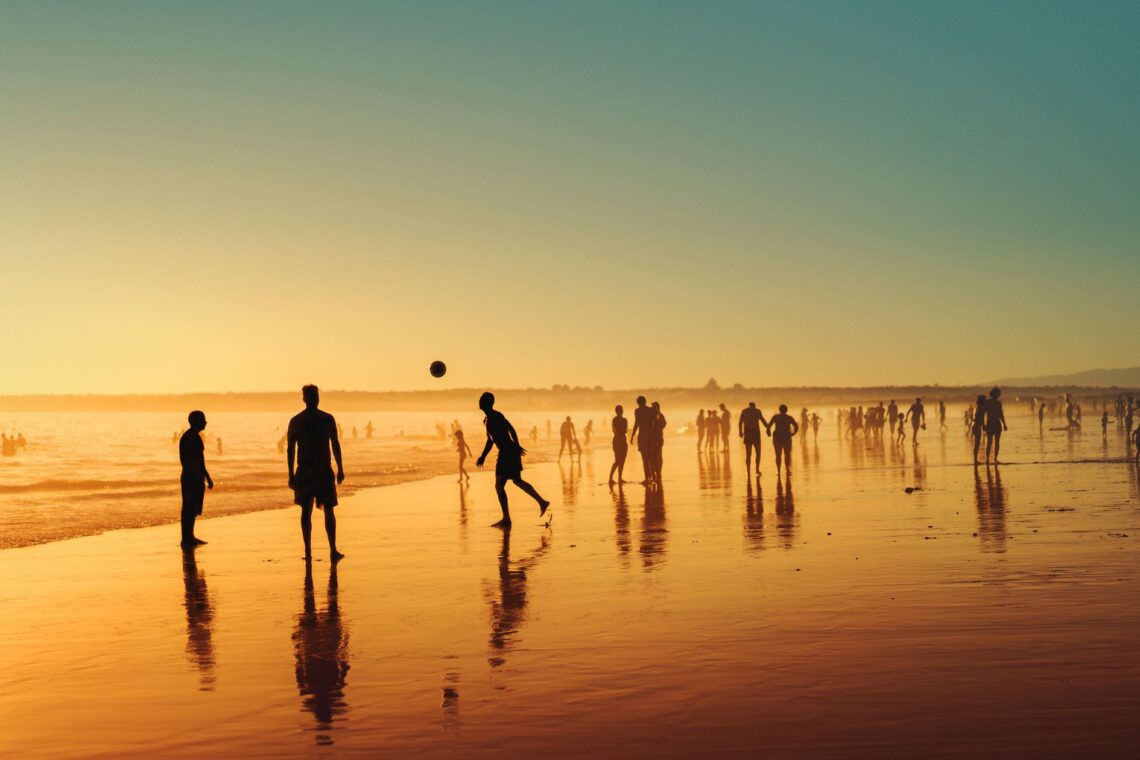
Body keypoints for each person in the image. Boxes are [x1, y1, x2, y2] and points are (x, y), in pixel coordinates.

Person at [288, 385, 346, 561]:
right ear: (305, 399)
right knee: (313, 511)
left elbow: (335, 444)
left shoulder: (321, 419)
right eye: (312, 396)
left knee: (322, 510)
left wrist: (340, 468)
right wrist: (291, 475)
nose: (315, 399)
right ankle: (317, 551)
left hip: (318, 471)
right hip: (311, 471)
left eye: (316, 396)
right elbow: (290, 450)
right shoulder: (316, 420)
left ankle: (325, 550)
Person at [475, 392, 550, 527]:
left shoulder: (496, 416)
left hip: (508, 452)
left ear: (488, 403)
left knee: (500, 485)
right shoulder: (488, 419)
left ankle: (507, 518)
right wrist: (483, 456)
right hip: (506, 452)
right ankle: (541, 502)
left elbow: (511, 429)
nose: (479, 401)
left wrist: (517, 445)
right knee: (515, 481)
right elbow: (490, 440)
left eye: (482, 400)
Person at [179, 410, 214, 548]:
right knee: (188, 508)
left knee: (193, 509)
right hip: (190, 478)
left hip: (196, 477)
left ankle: (190, 537)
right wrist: (197, 477)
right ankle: (186, 539)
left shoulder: (196, 437)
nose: (205, 422)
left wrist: (206, 476)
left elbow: (200, 460)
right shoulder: (188, 438)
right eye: (203, 420)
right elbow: (187, 461)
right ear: (196, 422)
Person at [766, 404, 799, 476]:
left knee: (778, 455)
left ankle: (778, 470)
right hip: (786, 437)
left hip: (777, 437)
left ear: (779, 410)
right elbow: (796, 426)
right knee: (787, 454)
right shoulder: (789, 418)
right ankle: (787, 469)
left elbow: (769, 426)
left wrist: (768, 433)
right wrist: (793, 433)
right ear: (786, 410)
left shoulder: (776, 417)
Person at [738, 402, 768, 476]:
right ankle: (755, 470)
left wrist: (740, 432)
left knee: (749, 454)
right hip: (754, 433)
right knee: (756, 453)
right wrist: (768, 428)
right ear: (754, 406)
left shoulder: (745, 411)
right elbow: (763, 421)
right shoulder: (756, 411)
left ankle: (750, 471)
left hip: (749, 433)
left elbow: (740, 422)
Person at [629, 396, 655, 484]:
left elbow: (636, 424)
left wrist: (632, 436)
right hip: (650, 436)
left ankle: (647, 478)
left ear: (638, 403)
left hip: (643, 436)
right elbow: (654, 424)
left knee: (645, 459)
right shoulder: (651, 410)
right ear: (645, 401)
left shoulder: (637, 411)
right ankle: (653, 476)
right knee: (650, 458)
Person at [984, 387, 1008, 464]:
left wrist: (1004, 424)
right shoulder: (987, 402)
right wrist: (983, 424)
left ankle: (995, 458)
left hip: (996, 423)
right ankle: (987, 459)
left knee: (996, 442)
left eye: (998, 395)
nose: (997, 396)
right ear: (993, 394)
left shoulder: (998, 403)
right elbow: (983, 413)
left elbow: (1001, 414)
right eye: (997, 394)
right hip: (990, 423)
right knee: (990, 442)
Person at [609, 405, 629, 486]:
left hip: (622, 440)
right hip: (617, 440)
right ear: (616, 411)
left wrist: (620, 431)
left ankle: (620, 478)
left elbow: (624, 430)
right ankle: (610, 478)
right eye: (620, 410)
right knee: (617, 460)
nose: (621, 412)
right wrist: (620, 431)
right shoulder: (615, 420)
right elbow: (617, 430)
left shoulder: (624, 420)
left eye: (622, 410)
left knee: (622, 461)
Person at [971, 394, 987, 465]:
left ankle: (975, 460)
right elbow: (981, 418)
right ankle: (975, 461)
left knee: (977, 444)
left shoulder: (976, 407)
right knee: (977, 444)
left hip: (974, 426)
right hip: (977, 427)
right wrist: (983, 426)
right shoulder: (981, 408)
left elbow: (975, 418)